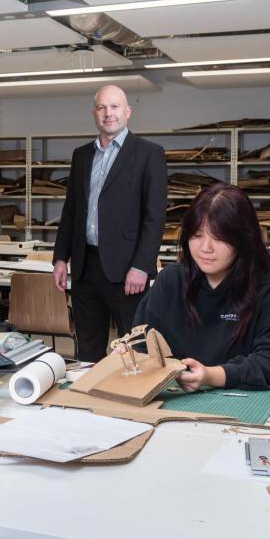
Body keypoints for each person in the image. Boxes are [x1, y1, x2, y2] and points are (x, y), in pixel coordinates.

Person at [128, 184, 270, 539]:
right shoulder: (172, 281)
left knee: (240, 501)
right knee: (171, 491)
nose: (205, 247)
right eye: (197, 234)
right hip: (176, 410)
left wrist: (212, 375)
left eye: (218, 237)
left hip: (243, 411)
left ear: (243, 238)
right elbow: (140, 340)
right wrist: (152, 366)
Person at [52, 84, 166, 361]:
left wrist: (142, 266)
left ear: (128, 111)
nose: (108, 113)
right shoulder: (81, 155)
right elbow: (71, 211)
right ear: (94, 113)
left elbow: (155, 217)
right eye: (101, 107)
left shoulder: (149, 153)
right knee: (87, 349)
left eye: (115, 106)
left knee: (135, 349)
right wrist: (60, 258)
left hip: (128, 271)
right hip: (85, 268)